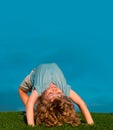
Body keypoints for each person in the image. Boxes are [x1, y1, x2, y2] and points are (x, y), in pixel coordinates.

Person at [18, 63, 94, 126]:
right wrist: (90, 123)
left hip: (34, 75)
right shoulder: (64, 89)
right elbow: (81, 103)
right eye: (58, 93)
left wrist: (31, 125)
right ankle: (34, 112)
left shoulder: (40, 88)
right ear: (63, 95)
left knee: (21, 90)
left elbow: (30, 103)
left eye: (50, 93)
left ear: (42, 97)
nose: (54, 90)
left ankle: (33, 112)